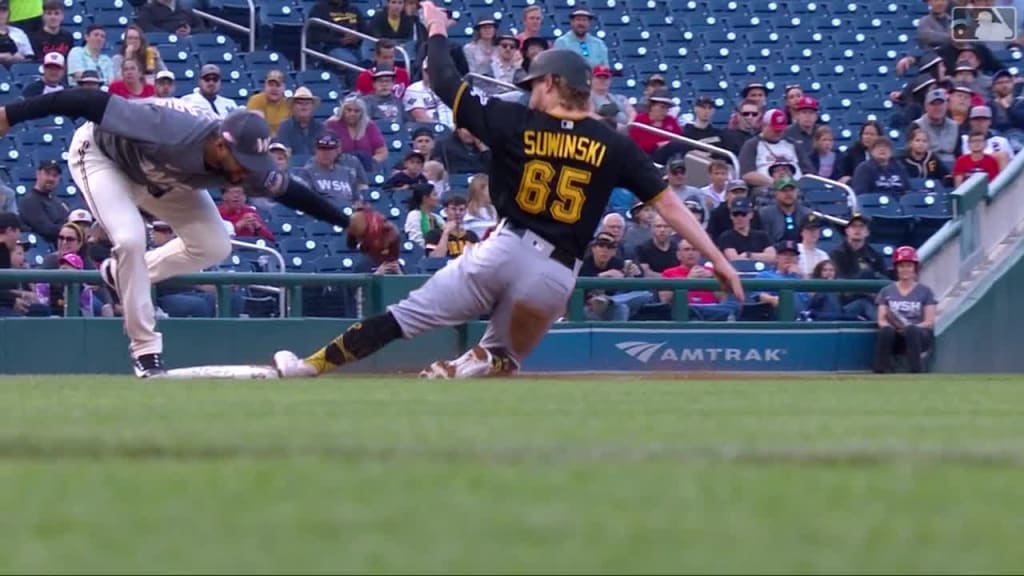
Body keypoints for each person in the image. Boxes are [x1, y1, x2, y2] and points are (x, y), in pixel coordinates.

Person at [272, 2, 742, 380]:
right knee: (500, 363)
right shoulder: (614, 145)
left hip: (504, 248)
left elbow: (443, 79)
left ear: (555, 83)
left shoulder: (513, 119)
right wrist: (717, 259)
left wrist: (436, 28)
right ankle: (479, 361)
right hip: (555, 279)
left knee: (402, 319)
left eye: (536, 82)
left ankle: (310, 366)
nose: (529, 90)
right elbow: (671, 207)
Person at [0, 89, 393, 377]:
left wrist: (345, 221)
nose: (245, 171)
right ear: (221, 145)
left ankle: (121, 276)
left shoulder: (241, 162)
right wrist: (12, 114)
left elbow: (289, 190)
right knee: (131, 238)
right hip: (103, 158)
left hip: (161, 178)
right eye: (240, 160)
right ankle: (145, 350)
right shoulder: (167, 127)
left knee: (215, 244)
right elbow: (84, 100)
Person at [873, 246, 936, 373]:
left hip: (919, 334)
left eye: (908, 266)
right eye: (901, 266)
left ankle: (916, 371)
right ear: (896, 268)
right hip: (895, 332)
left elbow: (929, 322)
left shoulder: (926, 291)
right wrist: (894, 328)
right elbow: (881, 319)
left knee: (912, 330)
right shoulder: (886, 291)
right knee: (885, 331)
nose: (905, 269)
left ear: (914, 268)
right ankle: (880, 370)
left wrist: (910, 328)